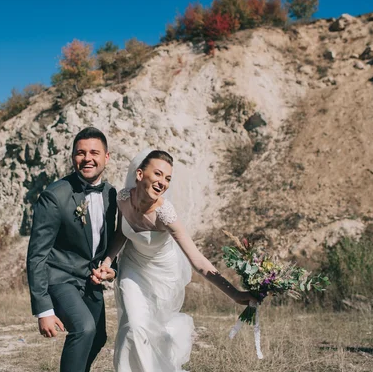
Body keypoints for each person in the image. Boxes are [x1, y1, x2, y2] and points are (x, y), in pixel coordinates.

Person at [93, 149, 255, 372]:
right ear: (139, 174)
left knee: (154, 332)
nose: (163, 182)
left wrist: (235, 294)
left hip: (163, 275)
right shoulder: (123, 199)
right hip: (132, 267)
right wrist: (108, 261)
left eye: (168, 178)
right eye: (158, 174)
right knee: (133, 327)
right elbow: (122, 233)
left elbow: (197, 260)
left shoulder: (165, 214)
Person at [26, 127, 118, 372]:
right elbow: (37, 255)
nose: (87, 158)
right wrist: (43, 309)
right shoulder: (54, 196)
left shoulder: (111, 194)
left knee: (98, 337)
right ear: (73, 158)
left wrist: (111, 270)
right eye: (80, 153)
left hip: (90, 280)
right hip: (60, 278)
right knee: (84, 328)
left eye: (94, 152)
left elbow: (106, 243)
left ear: (106, 157)